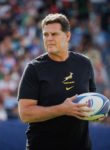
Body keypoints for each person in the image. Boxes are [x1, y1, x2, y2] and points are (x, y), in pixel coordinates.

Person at [17, 13, 96, 150]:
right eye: (45, 35)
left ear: (67, 36)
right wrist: (62, 109)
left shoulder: (84, 64)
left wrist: (96, 113)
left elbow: (92, 101)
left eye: (54, 34)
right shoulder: (34, 69)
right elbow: (25, 114)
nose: (49, 39)